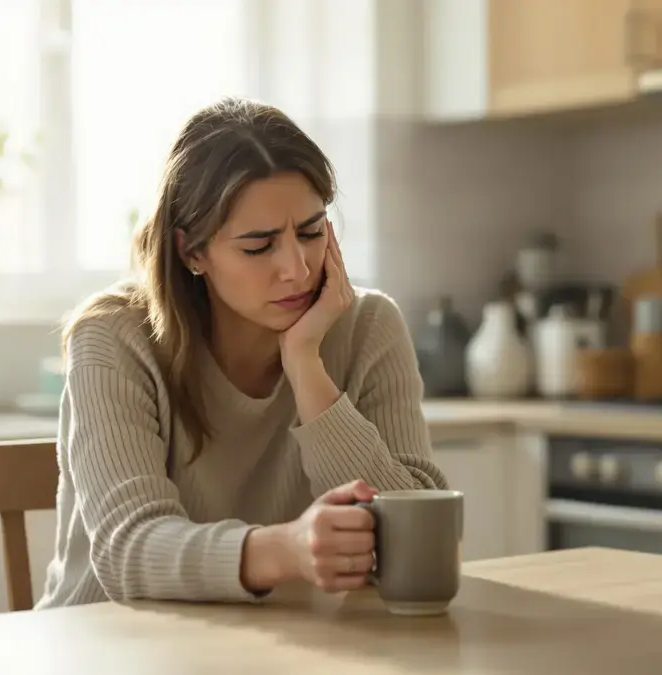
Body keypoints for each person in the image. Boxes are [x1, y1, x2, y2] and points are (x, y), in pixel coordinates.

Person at [35, 97, 448, 608]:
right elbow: (128, 551)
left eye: (312, 231)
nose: (296, 268)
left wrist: (306, 366)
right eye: (259, 246)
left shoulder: (369, 327)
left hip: (280, 647)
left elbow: (418, 538)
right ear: (192, 251)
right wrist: (285, 549)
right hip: (110, 645)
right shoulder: (115, 335)